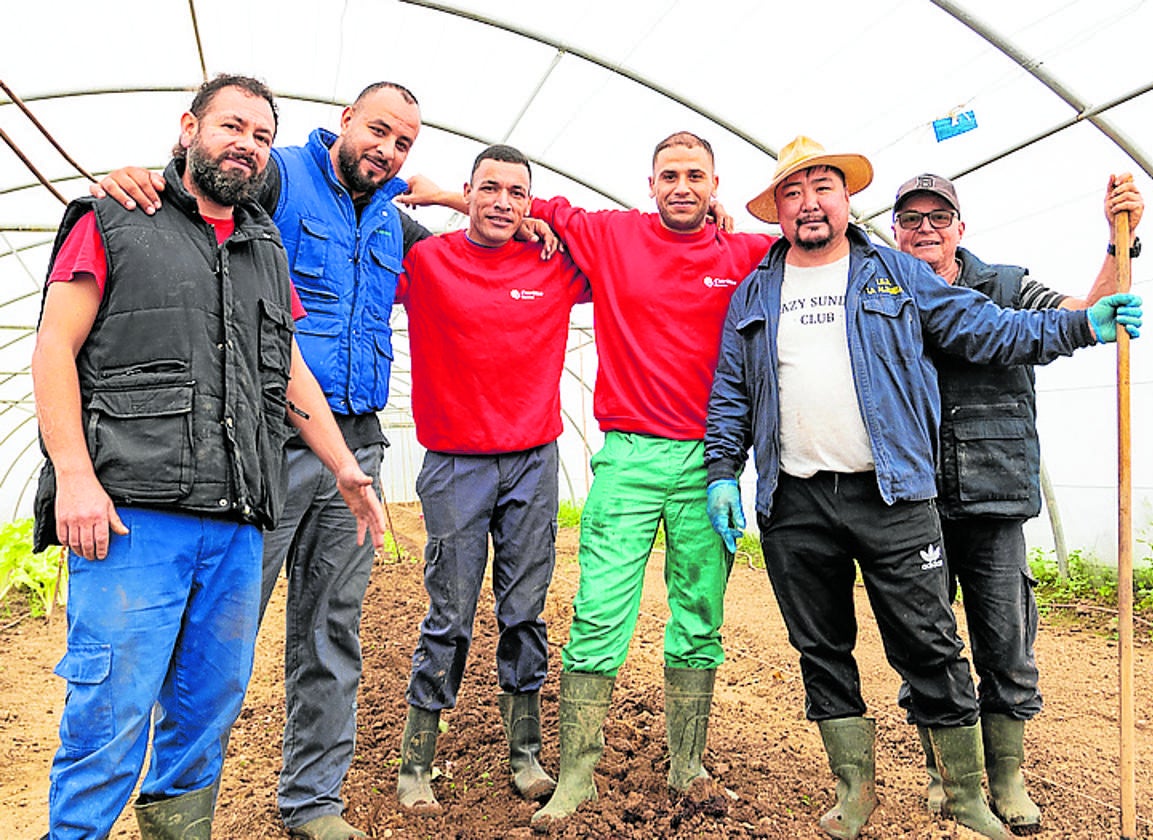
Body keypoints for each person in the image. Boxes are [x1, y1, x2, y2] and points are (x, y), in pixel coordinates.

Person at [703, 135, 1142, 840]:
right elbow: (731, 389)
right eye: (793, 192)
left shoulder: (896, 276)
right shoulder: (758, 288)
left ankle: (967, 796)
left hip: (893, 493)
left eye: (823, 188)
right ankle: (853, 791)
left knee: (930, 646)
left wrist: (1081, 325)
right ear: (777, 211)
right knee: (821, 647)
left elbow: (986, 327)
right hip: (796, 500)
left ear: (847, 202)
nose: (809, 203)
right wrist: (723, 470)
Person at [32, 74, 385, 840]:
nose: (247, 145)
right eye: (232, 126)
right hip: (134, 517)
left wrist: (343, 464)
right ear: (188, 127)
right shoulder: (112, 217)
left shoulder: (264, 244)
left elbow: (287, 369)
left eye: (262, 136)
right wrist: (76, 480)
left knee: (205, 713)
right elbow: (54, 348)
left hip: (235, 520)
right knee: (111, 712)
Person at [403, 130, 777, 826]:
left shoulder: (747, 253)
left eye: (696, 175)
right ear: (650, 183)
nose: (683, 186)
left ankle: (687, 764)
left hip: (710, 461)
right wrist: (447, 194)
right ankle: (574, 773)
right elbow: (517, 207)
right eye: (669, 174)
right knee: (597, 613)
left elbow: (815, 253)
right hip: (628, 456)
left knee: (699, 617)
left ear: (716, 184)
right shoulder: (610, 238)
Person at [890, 171, 1144, 834]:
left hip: (995, 495)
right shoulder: (882, 295)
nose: (924, 229)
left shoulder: (1004, 286)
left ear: (960, 228)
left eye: (937, 218)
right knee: (927, 644)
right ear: (894, 231)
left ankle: (1006, 778)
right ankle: (948, 775)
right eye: (911, 219)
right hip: (911, 501)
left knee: (1007, 642)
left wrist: (1123, 241)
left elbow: (1084, 311)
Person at [390, 143, 589, 814]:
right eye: (489, 189)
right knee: (448, 612)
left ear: (531, 203)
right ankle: (418, 759)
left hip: (533, 460)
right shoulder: (427, 261)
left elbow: (620, 251)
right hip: (455, 463)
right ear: (468, 191)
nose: (503, 201)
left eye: (517, 193)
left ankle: (525, 753)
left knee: (524, 610)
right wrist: (440, 197)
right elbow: (358, 201)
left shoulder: (550, 264)